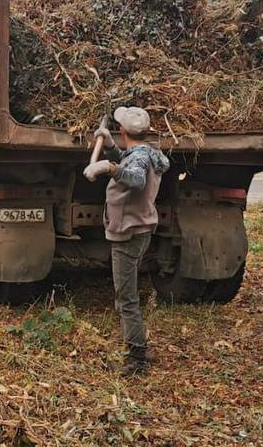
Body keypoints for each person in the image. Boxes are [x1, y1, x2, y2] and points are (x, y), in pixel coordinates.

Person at [83, 106, 170, 376]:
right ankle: (138, 349)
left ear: (123, 130)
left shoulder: (139, 162)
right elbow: (131, 160)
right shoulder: (147, 153)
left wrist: (108, 167)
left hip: (128, 233)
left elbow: (135, 177)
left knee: (126, 299)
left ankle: (137, 359)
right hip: (141, 228)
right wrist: (110, 148)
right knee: (127, 296)